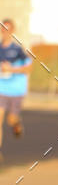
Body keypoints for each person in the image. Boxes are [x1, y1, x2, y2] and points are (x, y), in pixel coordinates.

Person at [0, 19, 32, 157]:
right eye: (3, 29)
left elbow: (29, 68)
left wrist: (12, 69)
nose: (5, 33)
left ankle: (16, 123)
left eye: (8, 30)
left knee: (11, 119)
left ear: (12, 31)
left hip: (16, 91)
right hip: (1, 90)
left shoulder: (18, 49)